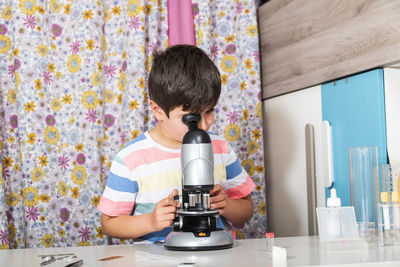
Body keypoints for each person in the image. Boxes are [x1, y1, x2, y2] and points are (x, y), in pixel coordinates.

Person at [98, 44, 255, 243]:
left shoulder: (220, 148)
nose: (204, 125)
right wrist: (151, 221)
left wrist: (227, 205)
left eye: (210, 111)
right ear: (158, 111)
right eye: (191, 118)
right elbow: (109, 223)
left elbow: (247, 209)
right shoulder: (131, 158)